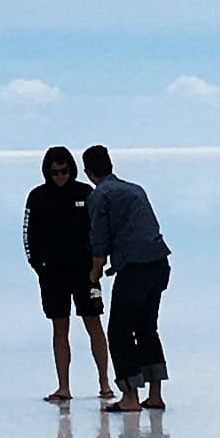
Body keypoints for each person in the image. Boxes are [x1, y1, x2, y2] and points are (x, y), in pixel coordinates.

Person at [23, 144, 114, 407]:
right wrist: (38, 266)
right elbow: (29, 235)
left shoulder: (86, 194)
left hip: (86, 273)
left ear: (72, 170)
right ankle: (63, 386)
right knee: (59, 327)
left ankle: (105, 383)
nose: (60, 176)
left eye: (64, 171)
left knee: (93, 323)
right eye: (54, 172)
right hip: (52, 274)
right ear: (47, 172)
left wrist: (97, 264)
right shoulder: (37, 197)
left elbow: (99, 229)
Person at [82, 145, 169, 409]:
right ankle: (155, 394)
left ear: (87, 172)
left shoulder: (99, 196)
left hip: (134, 268)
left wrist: (94, 275)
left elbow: (99, 242)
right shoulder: (135, 189)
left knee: (119, 331)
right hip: (159, 263)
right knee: (146, 328)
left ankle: (129, 397)